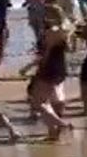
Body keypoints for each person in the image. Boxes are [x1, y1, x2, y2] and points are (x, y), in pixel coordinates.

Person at [27, 8, 73, 141]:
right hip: (60, 66)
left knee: (37, 102)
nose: (44, 17)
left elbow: (46, 53)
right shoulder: (66, 30)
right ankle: (53, 133)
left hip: (49, 68)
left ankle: (62, 125)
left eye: (46, 14)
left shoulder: (52, 32)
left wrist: (34, 67)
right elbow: (69, 49)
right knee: (54, 101)